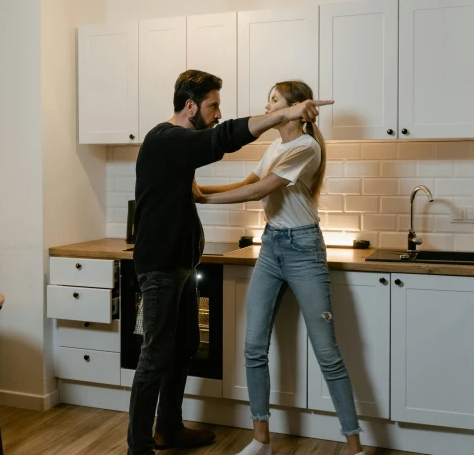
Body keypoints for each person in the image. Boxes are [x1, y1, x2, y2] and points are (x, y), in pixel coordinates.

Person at [129, 70, 332, 455]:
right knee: (155, 355)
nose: (219, 113)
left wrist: (202, 197)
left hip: (182, 264)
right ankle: (138, 447)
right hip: (159, 265)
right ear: (190, 107)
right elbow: (224, 140)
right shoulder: (166, 138)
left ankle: (168, 429)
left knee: (185, 344)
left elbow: (225, 165)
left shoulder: (181, 143)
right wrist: (281, 116)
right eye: (213, 105)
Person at [194, 80, 365, 455]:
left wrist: (203, 202)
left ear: (295, 107)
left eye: (273, 100)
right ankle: (261, 441)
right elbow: (247, 182)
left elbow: (259, 191)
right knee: (254, 345)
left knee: (327, 354)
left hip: (303, 249)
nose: (267, 106)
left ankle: (354, 447)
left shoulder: (306, 146)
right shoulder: (275, 145)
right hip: (271, 245)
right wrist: (202, 191)